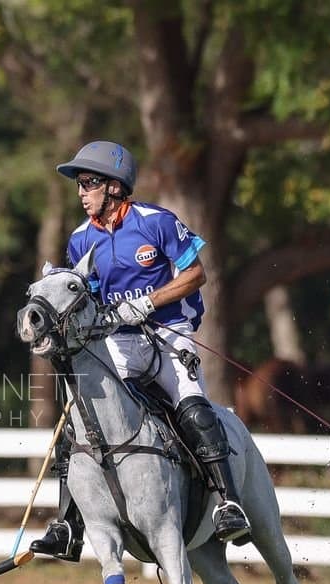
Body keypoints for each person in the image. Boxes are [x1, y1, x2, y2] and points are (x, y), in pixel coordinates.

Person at [30, 140, 251, 554]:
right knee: (82, 417)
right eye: (79, 185)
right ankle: (68, 525)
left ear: (114, 187)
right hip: (118, 340)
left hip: (169, 331)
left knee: (192, 403)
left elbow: (196, 275)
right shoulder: (80, 240)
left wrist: (149, 302)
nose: (81, 193)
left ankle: (228, 504)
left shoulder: (156, 222)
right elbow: (88, 299)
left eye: (89, 183)